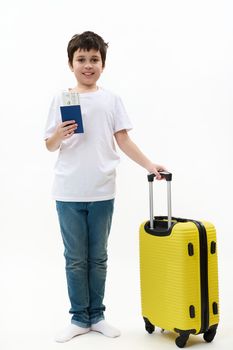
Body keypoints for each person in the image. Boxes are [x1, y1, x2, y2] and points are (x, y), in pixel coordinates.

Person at [44, 31, 166, 343]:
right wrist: (59, 133)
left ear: (103, 64)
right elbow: (49, 145)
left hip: (102, 191)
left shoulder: (111, 100)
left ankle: (96, 316)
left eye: (94, 59)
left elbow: (123, 139)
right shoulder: (61, 98)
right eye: (81, 59)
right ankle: (78, 318)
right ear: (71, 64)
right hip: (68, 191)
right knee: (75, 258)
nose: (88, 65)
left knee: (98, 257)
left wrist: (151, 166)